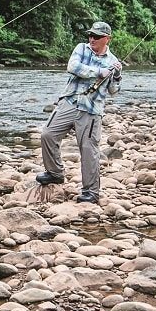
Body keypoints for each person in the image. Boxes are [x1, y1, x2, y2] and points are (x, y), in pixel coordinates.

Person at [35, 21, 122, 204]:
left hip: (91, 110)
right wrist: (99, 72)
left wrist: (116, 75)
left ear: (107, 39)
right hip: (69, 101)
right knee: (47, 135)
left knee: (89, 150)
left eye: (97, 36)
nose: (92, 39)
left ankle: (91, 192)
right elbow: (73, 67)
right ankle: (55, 173)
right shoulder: (81, 48)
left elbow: (114, 91)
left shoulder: (113, 62)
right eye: (90, 35)